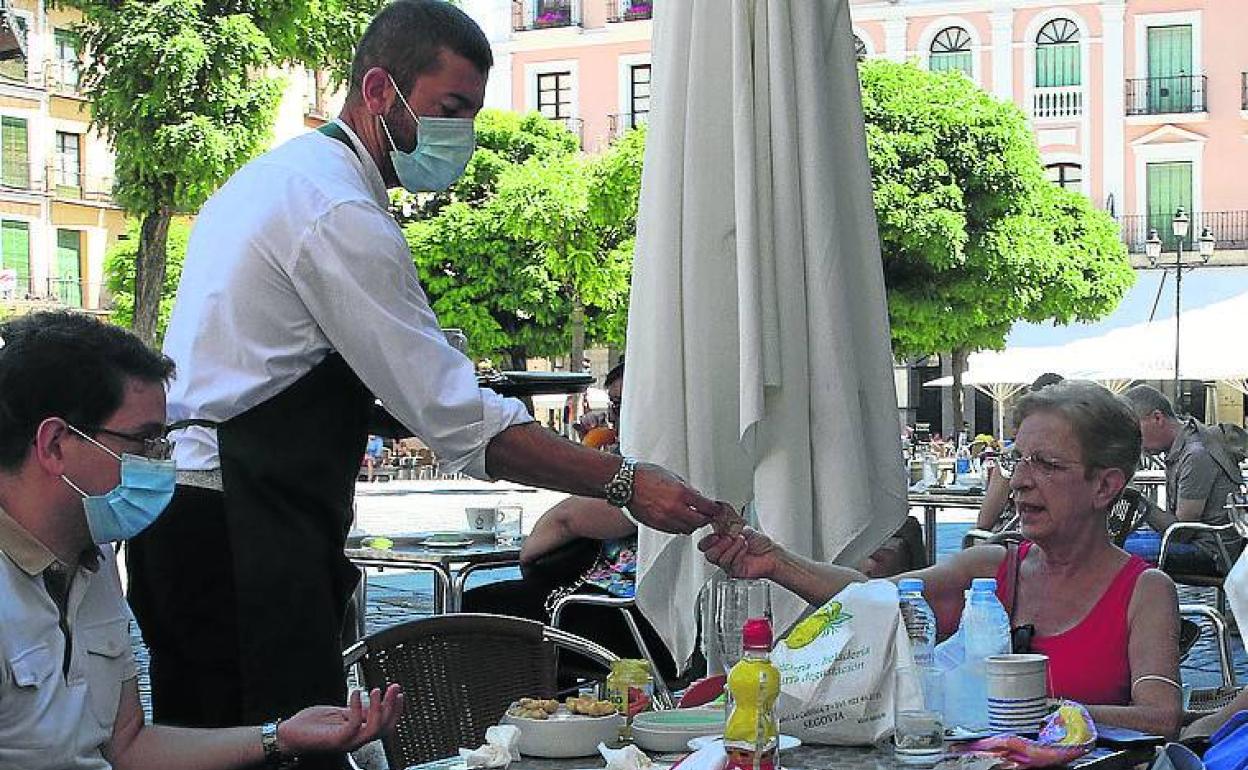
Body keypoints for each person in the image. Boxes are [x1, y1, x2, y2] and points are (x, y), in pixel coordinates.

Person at [128, 0, 734, 753]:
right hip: (238, 531)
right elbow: (458, 423)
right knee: (273, 747)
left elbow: (301, 376)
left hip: (209, 522)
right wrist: (623, 481)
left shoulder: (277, 178)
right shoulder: (337, 209)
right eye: (451, 109)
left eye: (473, 115)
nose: (464, 136)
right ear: (379, 90)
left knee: (234, 743)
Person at [0, 312, 402, 770]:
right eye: (145, 442)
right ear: (54, 444)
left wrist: (281, 736)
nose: (161, 462)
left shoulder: (93, 556)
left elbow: (128, 745)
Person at [701, 381, 1183, 737]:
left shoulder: (1145, 590)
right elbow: (871, 597)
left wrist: (1036, 708)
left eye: (1048, 465)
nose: (1018, 481)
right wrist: (777, 562)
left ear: (1105, 485)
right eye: (1017, 460)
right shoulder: (993, 569)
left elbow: (1162, 716)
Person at [462, 360, 674, 680]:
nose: (614, 418)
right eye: (611, 407)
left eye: (618, 406)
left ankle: (504, 716)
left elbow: (562, 522)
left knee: (474, 608)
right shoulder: (678, 456)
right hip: (635, 611)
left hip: (629, 619)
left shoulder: (653, 474)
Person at [1122, 384, 1244, 575]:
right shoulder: (1185, 446)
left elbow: (1182, 533)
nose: (1133, 440)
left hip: (1212, 552)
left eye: (1135, 431)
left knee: (1112, 552)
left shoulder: (1196, 454)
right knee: (1110, 544)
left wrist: (1137, 498)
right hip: (1201, 541)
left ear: (1157, 418)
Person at [974, 373, 1064, 533]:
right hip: (1068, 542)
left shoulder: (1013, 455)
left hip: (1014, 541)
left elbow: (984, 521)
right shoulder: (1078, 455)